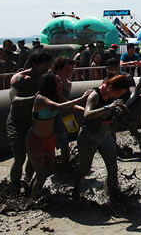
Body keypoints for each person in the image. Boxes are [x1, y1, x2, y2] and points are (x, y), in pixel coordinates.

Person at [26, 73, 87, 204]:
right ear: (50, 85)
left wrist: (88, 111)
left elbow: (71, 106)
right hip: (35, 140)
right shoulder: (40, 99)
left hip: (49, 138)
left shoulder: (58, 96)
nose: (61, 84)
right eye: (58, 82)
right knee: (42, 174)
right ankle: (31, 201)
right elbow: (58, 107)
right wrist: (82, 97)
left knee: (50, 170)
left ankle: (31, 189)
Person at [73, 73, 132, 202]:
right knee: (85, 168)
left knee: (113, 168)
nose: (118, 96)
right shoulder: (95, 96)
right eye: (118, 93)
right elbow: (87, 115)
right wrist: (108, 107)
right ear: (110, 88)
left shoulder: (113, 97)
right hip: (89, 137)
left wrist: (122, 110)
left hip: (105, 136)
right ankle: (75, 190)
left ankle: (113, 195)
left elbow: (123, 114)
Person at [6, 49, 54, 194]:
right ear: (34, 64)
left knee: (34, 156)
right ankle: (14, 186)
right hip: (16, 122)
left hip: (34, 122)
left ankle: (27, 181)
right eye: (45, 66)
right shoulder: (19, 78)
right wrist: (34, 98)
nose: (47, 69)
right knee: (19, 157)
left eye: (49, 66)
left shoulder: (46, 78)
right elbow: (14, 100)